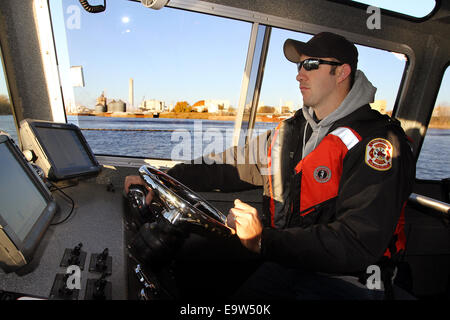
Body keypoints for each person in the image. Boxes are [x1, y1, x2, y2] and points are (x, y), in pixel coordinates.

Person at [124, 32, 415, 300]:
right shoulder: (291, 132)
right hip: (288, 262)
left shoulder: (379, 144)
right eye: (299, 66)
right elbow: (225, 166)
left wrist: (264, 241)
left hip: (348, 281)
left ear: (341, 72)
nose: (300, 74)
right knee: (189, 264)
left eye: (310, 64)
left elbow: (355, 241)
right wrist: (161, 179)